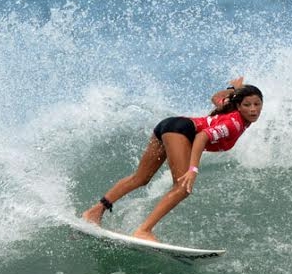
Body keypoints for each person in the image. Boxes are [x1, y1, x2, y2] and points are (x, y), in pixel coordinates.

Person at [81, 77, 264, 242]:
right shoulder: (234, 123)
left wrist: (234, 89)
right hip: (180, 131)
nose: (253, 109)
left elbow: (216, 97)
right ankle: (143, 231)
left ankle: (94, 212)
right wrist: (193, 170)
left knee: (140, 178)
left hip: (168, 125)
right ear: (239, 107)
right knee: (182, 187)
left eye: (257, 104)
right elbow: (202, 137)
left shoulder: (229, 108)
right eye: (247, 105)